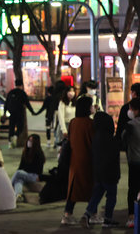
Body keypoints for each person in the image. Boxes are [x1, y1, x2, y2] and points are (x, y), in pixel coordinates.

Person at [79, 112, 120, 228]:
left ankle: (87, 214)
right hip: (110, 174)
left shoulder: (96, 137)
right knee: (111, 196)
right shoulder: (110, 138)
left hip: (98, 173)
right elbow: (114, 154)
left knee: (96, 195)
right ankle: (107, 219)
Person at [61, 95, 94, 225]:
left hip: (75, 161)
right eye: (91, 105)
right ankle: (92, 213)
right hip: (88, 161)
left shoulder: (74, 122)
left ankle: (67, 214)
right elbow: (94, 142)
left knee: (73, 189)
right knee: (92, 189)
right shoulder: (91, 124)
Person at [122, 97, 140, 229]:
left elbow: (123, 140)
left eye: (131, 109)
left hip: (134, 161)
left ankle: (132, 217)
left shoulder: (131, 125)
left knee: (133, 190)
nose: (129, 111)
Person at [11, 134, 45, 203]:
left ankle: (8, 186)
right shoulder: (25, 152)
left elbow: (38, 170)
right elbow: (20, 166)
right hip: (25, 174)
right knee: (18, 179)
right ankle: (19, 195)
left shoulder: (39, 154)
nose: (29, 142)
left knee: (19, 173)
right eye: (28, 140)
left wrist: (24, 171)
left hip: (35, 176)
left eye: (31, 141)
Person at [4, 79, 35, 148]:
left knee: (11, 128)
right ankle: (15, 136)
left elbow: (6, 103)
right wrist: (32, 112)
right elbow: (27, 103)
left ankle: (10, 143)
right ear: (21, 85)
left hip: (11, 113)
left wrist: (4, 112)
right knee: (20, 127)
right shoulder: (22, 93)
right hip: (20, 113)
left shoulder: (11, 92)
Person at [116, 83, 140, 148]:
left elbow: (120, 128)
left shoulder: (126, 108)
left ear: (134, 93)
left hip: (128, 145)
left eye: (131, 92)